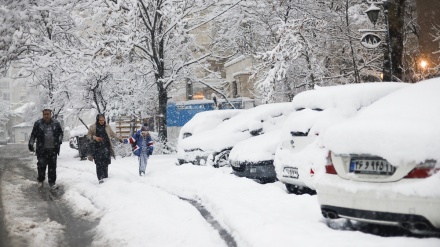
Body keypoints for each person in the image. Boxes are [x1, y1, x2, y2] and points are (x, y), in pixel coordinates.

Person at [28, 108, 64, 188]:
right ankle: (41, 180)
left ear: (50, 114)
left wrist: (59, 140)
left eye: (48, 114)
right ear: (43, 115)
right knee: (41, 166)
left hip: (53, 149)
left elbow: (61, 133)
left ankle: (52, 182)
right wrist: (31, 143)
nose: (46, 116)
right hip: (41, 149)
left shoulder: (56, 123)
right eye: (45, 114)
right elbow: (33, 134)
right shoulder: (38, 124)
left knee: (52, 167)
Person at [87, 114, 123, 184]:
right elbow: (88, 135)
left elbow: (113, 134)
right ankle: (100, 178)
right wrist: (95, 138)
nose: (102, 121)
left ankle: (106, 178)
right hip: (97, 149)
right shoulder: (93, 127)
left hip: (106, 148)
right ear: (97, 120)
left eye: (103, 120)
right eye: (100, 120)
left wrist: (119, 138)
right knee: (99, 164)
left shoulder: (107, 126)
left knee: (105, 163)